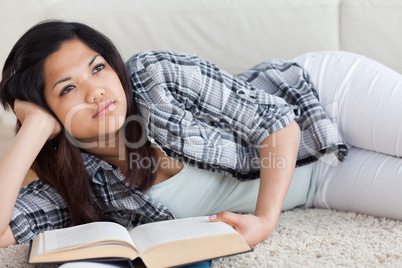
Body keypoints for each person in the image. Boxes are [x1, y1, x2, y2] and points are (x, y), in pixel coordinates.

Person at [0, 20, 401, 254]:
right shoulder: (76, 183)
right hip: (320, 181)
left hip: (324, 98)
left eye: (98, 67)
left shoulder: (153, 77)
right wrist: (34, 129)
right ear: (50, 112)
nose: (97, 91)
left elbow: (276, 121)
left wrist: (264, 221)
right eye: (68, 89)